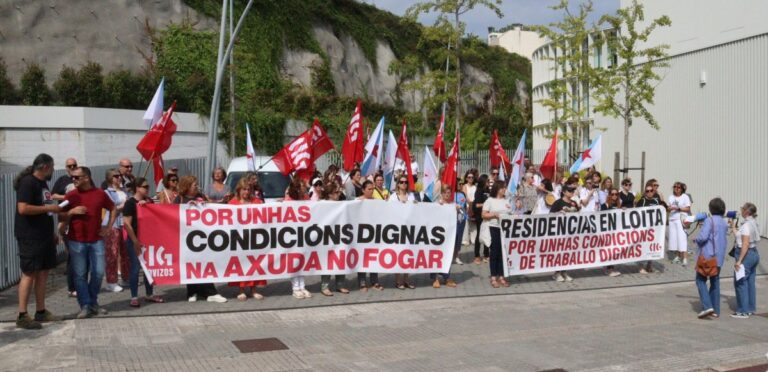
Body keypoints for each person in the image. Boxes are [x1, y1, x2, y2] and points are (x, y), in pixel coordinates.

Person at [60, 166, 117, 318]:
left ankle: (92, 302)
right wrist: (71, 212)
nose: (74, 180)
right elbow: (59, 215)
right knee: (80, 275)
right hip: (76, 240)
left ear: (86, 178)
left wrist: (108, 227)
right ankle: (85, 305)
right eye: (72, 177)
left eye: (77, 177)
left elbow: (113, 208)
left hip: (96, 239)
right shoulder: (71, 195)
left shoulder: (99, 194)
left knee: (98, 272)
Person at [14, 154, 62, 329]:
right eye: (52, 166)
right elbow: (23, 208)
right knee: (29, 273)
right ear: (45, 167)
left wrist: (52, 233)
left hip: (44, 235)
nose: (53, 170)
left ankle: (40, 311)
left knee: (43, 272)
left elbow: (46, 211)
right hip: (30, 236)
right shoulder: (28, 183)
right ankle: (22, 314)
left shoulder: (43, 184)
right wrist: (50, 207)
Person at [174, 175, 228, 303]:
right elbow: (172, 214)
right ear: (187, 186)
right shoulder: (179, 198)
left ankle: (210, 292)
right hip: (187, 237)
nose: (197, 187)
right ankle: (192, 292)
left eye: (197, 184)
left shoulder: (201, 197)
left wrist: (205, 205)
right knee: (191, 265)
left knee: (204, 264)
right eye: (194, 185)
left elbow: (211, 209)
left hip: (203, 237)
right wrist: (187, 206)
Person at [122, 177, 165, 307]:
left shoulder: (149, 201)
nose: (147, 189)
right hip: (134, 240)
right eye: (145, 187)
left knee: (149, 269)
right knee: (135, 268)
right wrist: (135, 241)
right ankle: (134, 296)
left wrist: (147, 206)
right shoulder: (130, 203)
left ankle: (149, 294)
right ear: (137, 188)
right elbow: (127, 224)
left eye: (148, 187)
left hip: (148, 240)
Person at [227, 178, 266, 300]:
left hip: (254, 237)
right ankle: (241, 289)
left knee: (254, 263)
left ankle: (253, 289)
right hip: (239, 238)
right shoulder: (232, 203)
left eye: (249, 189)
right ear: (239, 190)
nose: (247, 192)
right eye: (244, 189)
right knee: (241, 263)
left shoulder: (257, 202)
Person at [692, 197, 728, 319]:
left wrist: (695, 239)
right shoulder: (724, 222)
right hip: (719, 257)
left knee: (700, 280)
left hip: (708, 256)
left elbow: (703, 237)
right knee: (715, 282)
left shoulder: (709, 220)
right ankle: (715, 310)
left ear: (711, 209)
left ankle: (707, 306)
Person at [51, 157, 78, 297]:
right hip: (65, 219)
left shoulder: (81, 177)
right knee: (72, 254)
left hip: (80, 221)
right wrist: (68, 197)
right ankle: (72, 287)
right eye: (70, 166)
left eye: (74, 165)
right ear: (66, 167)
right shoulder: (62, 180)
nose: (72, 167)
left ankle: (78, 284)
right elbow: (53, 195)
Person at [318, 182, 350, 296]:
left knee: (341, 260)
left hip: (340, 236)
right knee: (328, 261)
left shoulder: (342, 204)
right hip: (327, 237)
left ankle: (340, 285)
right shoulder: (322, 204)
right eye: (336, 192)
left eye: (339, 192)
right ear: (329, 194)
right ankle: (324, 286)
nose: (338, 194)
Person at [731, 202, 760, 319]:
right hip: (754, 254)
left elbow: (745, 243)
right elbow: (740, 236)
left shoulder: (746, 226)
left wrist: (739, 261)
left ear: (747, 211)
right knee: (750, 282)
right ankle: (750, 308)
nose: (741, 211)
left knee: (740, 282)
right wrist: (733, 227)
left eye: (742, 209)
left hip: (745, 255)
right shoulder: (752, 222)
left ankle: (742, 311)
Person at [431, 184, 464, 288]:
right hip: (438, 234)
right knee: (436, 255)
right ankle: (435, 278)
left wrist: (458, 210)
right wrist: (438, 207)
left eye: (449, 193)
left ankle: (446, 276)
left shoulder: (453, 204)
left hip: (449, 235)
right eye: (445, 192)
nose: (447, 194)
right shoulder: (437, 204)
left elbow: (460, 218)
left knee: (448, 256)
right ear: (441, 194)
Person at [103, 169, 130, 292]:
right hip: (113, 224)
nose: (119, 178)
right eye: (115, 176)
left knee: (125, 252)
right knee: (112, 253)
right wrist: (123, 206)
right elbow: (111, 208)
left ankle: (126, 277)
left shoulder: (124, 191)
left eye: (119, 176)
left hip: (124, 224)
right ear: (110, 178)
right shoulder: (107, 193)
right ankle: (111, 281)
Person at [284, 177, 312, 298]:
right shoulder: (289, 200)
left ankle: (302, 286)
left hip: (303, 234)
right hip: (292, 235)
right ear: (297, 188)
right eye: (302, 186)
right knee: (294, 260)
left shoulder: (306, 198)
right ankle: (295, 287)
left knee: (302, 260)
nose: (305, 188)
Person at [389, 176, 418, 289]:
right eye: (401, 182)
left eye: (406, 182)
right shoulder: (393, 197)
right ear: (398, 184)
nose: (404, 184)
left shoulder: (411, 196)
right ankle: (398, 280)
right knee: (398, 254)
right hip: (397, 230)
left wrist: (415, 205)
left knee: (408, 253)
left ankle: (406, 279)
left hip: (409, 229)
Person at [483, 181, 512, 288]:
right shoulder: (490, 201)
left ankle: (501, 275)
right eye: (502, 188)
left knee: (503, 253)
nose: (504, 190)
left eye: (504, 188)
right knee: (494, 252)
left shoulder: (506, 200)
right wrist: (493, 215)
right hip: (493, 228)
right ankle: (494, 276)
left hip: (505, 229)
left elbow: (510, 213)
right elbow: (484, 214)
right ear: (497, 189)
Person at [549, 186, 580, 282]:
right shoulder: (558, 202)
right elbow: (550, 215)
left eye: (573, 191)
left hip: (571, 231)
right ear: (564, 192)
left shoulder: (574, 203)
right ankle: (557, 273)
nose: (571, 192)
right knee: (560, 252)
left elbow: (579, 214)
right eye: (569, 191)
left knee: (567, 252)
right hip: (560, 231)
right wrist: (558, 212)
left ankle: (564, 272)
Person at [358, 180, 385, 291]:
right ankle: (362, 282)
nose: (371, 191)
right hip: (360, 234)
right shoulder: (357, 201)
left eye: (372, 189)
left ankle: (374, 281)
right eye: (369, 189)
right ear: (363, 190)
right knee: (362, 258)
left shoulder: (376, 201)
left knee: (373, 257)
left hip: (373, 234)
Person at [635, 184, 660, 274]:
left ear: (654, 192)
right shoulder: (642, 201)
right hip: (644, 228)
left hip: (654, 228)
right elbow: (635, 213)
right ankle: (641, 266)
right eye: (647, 191)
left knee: (651, 247)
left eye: (651, 191)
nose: (649, 192)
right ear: (645, 192)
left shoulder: (656, 201)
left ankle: (649, 265)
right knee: (642, 247)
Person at [667, 182, 692, 265]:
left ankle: (684, 258)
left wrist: (678, 208)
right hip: (672, 219)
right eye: (675, 187)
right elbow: (668, 208)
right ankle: (677, 256)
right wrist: (670, 208)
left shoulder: (685, 197)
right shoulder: (671, 197)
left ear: (682, 189)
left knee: (682, 238)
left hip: (681, 219)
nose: (676, 188)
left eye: (678, 187)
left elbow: (688, 208)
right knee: (674, 239)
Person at [601, 189, 622, 277]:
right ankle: (608, 269)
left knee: (614, 249)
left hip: (616, 231)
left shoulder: (618, 205)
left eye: (616, 194)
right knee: (609, 250)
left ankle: (611, 268)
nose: (614, 195)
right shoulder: (604, 205)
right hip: (607, 231)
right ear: (609, 195)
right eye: (612, 194)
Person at [473, 174, 490, 264]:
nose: (488, 182)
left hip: (487, 216)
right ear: (483, 181)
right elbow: (476, 205)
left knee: (487, 234)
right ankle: (477, 255)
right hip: (480, 216)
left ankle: (486, 254)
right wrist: (486, 205)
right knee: (479, 234)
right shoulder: (478, 191)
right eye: (487, 181)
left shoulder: (488, 190)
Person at [461, 169, 478, 248]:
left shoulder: (475, 187)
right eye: (469, 177)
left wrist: (473, 204)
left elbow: (476, 196)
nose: (471, 179)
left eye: (472, 177)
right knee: (466, 224)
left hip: (473, 206)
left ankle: (474, 239)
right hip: (467, 205)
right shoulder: (464, 186)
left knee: (473, 223)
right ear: (466, 178)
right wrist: (470, 203)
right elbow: (465, 196)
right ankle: (465, 240)